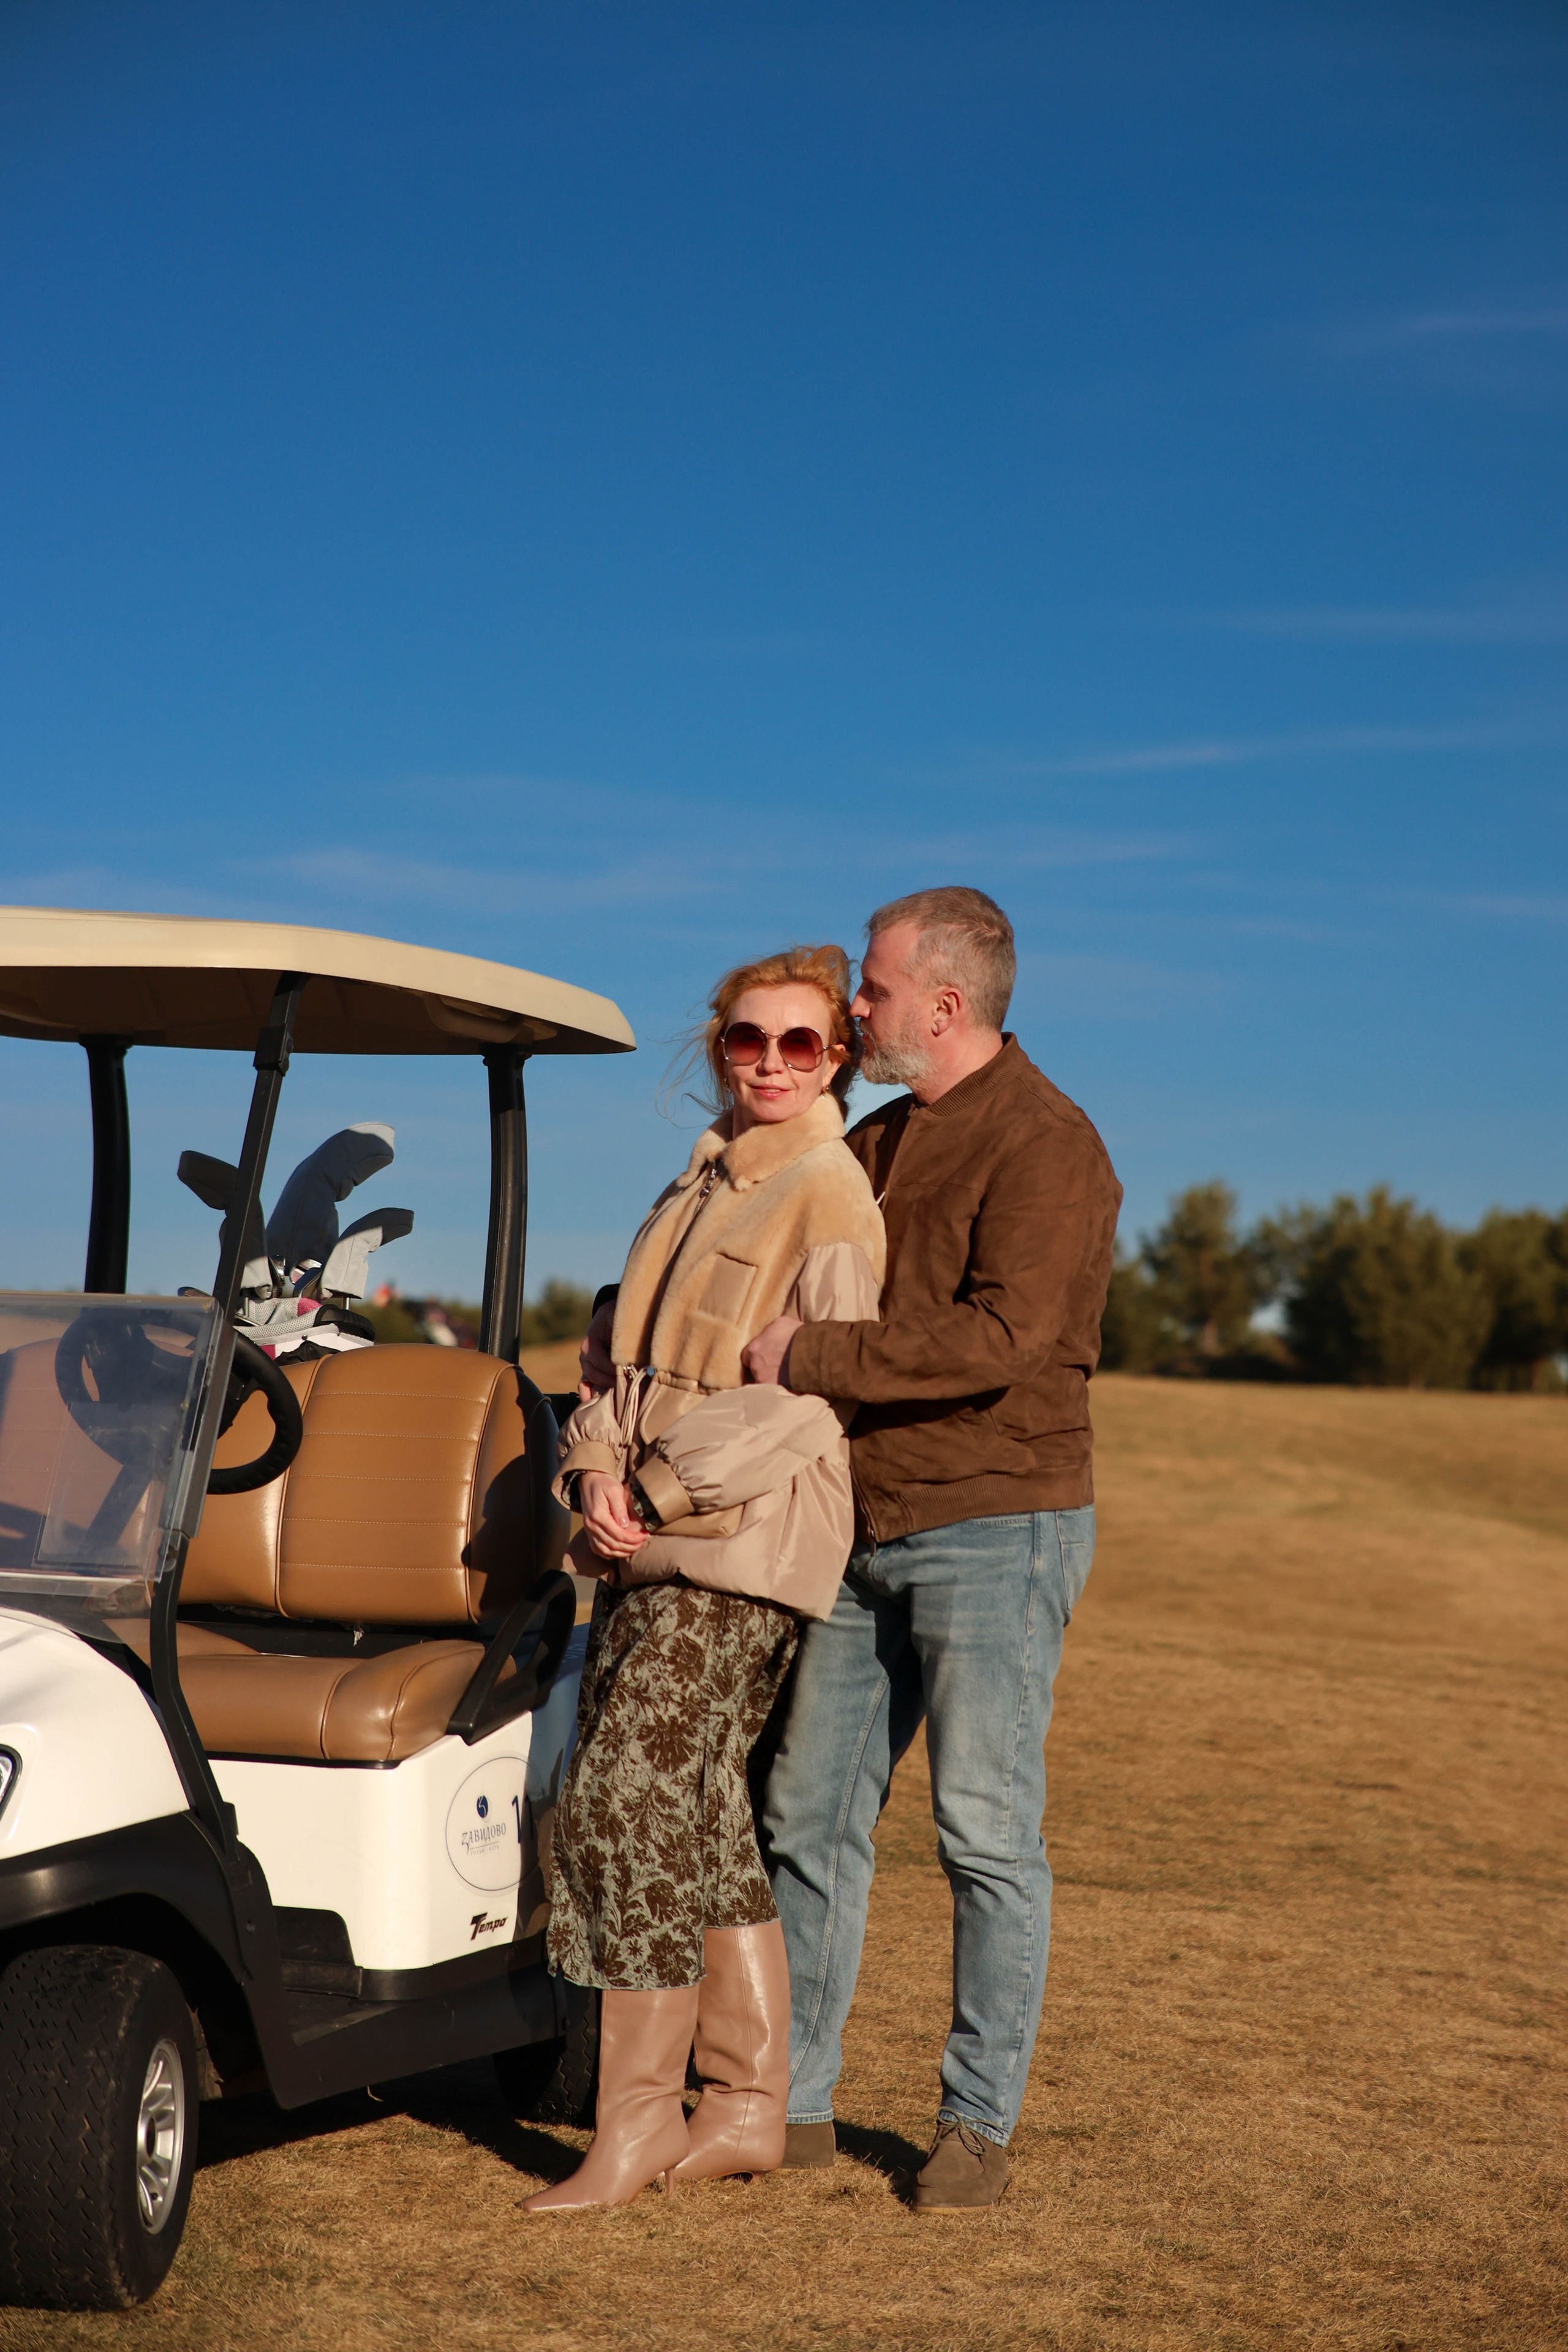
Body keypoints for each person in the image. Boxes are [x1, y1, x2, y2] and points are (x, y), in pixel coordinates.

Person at [741, 886, 1121, 2213]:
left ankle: (973, 2128)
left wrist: (815, 1358)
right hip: (859, 1525)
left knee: (982, 1833)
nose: (854, 1009)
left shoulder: (1049, 1147)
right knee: (805, 1814)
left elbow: (1002, 1339)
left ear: (945, 1006)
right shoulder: (877, 1133)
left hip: (996, 1525)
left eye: (875, 989)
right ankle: (787, 2103)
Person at [525, 944, 884, 2214]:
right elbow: (607, 1380)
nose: (774, 1064)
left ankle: (631, 2129)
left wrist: (661, 1491)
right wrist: (591, 1481)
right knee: (697, 1816)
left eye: (802, 1044)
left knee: (621, 1801)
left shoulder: (831, 1197)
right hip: (640, 1539)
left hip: (739, 1550)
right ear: (717, 1049)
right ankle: (740, 2111)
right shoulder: (685, 1192)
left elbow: (813, 1402)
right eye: (749, 1040)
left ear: (835, 1056)